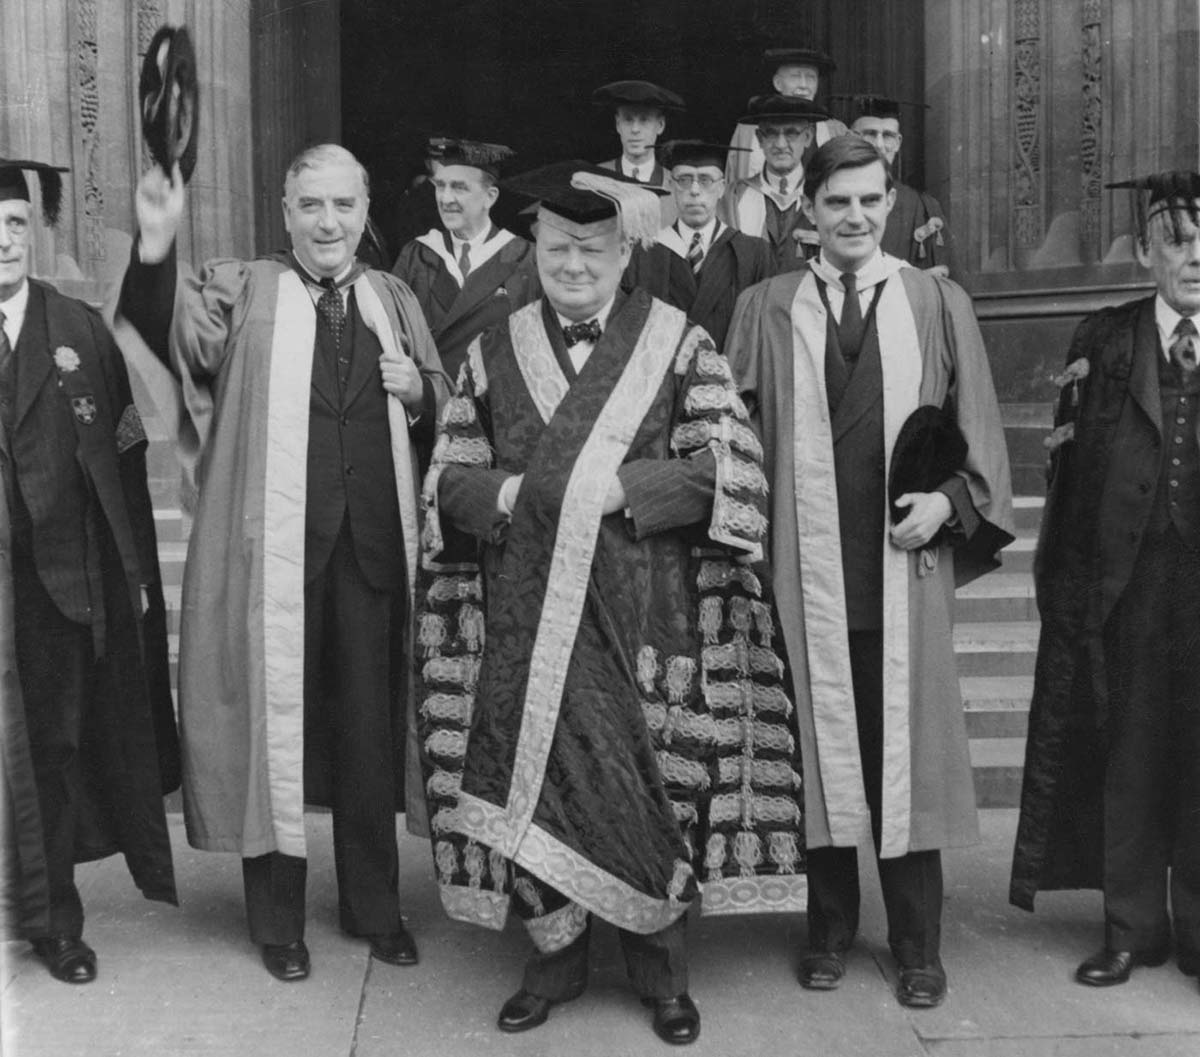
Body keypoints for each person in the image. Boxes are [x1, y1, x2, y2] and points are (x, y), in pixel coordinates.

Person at [407, 161, 799, 1045]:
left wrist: (623, 487)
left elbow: (732, 466)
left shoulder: (679, 342)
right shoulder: (492, 349)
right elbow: (449, 480)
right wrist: (508, 498)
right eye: (556, 246)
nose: (573, 263)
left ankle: (662, 973)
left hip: (647, 613)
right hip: (527, 615)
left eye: (592, 247)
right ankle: (553, 962)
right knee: (540, 783)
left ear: (625, 253)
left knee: (647, 779)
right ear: (533, 250)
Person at [115, 144, 449, 982]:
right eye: (311, 206)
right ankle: (277, 921)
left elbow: (451, 406)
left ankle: (375, 906)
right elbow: (168, 338)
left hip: (373, 552)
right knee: (274, 735)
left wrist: (420, 397)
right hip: (274, 556)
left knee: (369, 736)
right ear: (286, 211)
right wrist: (155, 248)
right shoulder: (244, 287)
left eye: (343, 205)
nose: (328, 222)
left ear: (366, 209)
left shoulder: (393, 298)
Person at [724, 135, 1014, 1009]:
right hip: (800, 567)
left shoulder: (934, 299)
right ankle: (828, 927)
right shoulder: (764, 305)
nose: (854, 216)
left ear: (892, 204)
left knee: (904, 752)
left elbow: (981, 432)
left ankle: (919, 942)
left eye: (869, 200)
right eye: (837, 201)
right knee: (814, 749)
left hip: (902, 568)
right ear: (808, 209)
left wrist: (949, 507)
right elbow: (723, 430)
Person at [1010, 171, 1200, 993]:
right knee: (1131, 749)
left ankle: (1196, 931)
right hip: (1129, 584)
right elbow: (1069, 475)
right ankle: (1131, 928)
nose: (1195, 257)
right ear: (1149, 252)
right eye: (1179, 241)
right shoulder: (1107, 335)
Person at [0, 157, 179, 983]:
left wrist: (134, 569)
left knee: (53, 749)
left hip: (60, 585)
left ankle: (54, 919)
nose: (2, 242)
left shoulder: (73, 326)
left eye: (12, 226)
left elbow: (127, 450)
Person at [392, 136, 539, 382]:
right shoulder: (417, 255)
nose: (445, 199)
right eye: (440, 186)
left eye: (459, 188)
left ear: (490, 197)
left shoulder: (525, 258)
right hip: (429, 404)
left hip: (495, 405)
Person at [623, 140, 773, 349]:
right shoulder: (643, 253)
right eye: (684, 180)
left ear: (721, 188)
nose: (694, 190)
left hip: (731, 377)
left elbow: (763, 336)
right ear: (670, 186)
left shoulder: (754, 253)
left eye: (705, 180)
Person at [850, 96, 955, 274]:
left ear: (898, 142)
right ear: (851, 138)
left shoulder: (923, 207)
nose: (880, 145)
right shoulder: (832, 201)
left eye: (888, 136)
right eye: (870, 134)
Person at [725, 94, 829, 272]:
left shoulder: (825, 195)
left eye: (791, 133)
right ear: (759, 138)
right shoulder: (734, 198)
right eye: (771, 133)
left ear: (808, 137)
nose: (781, 144)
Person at [726, 48, 848, 187]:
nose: (804, 85)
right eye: (795, 76)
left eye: (810, 78)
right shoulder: (748, 129)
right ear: (778, 83)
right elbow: (733, 186)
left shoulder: (836, 130)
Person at [593, 80, 683, 227]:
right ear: (618, 124)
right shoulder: (596, 179)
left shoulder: (676, 187)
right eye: (628, 120)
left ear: (660, 125)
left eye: (644, 120)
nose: (635, 129)